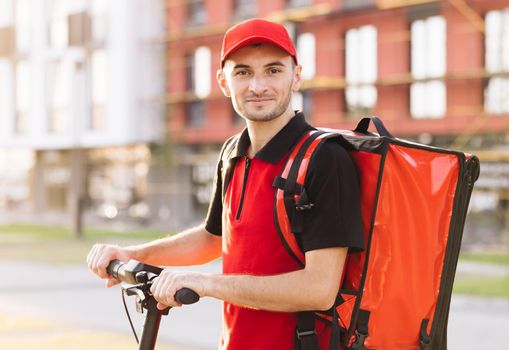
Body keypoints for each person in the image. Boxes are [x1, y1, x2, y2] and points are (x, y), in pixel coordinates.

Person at [87, 18, 364, 350]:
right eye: (243, 72)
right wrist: (133, 254)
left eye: (274, 70)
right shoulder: (233, 152)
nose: (258, 86)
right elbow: (214, 238)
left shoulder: (323, 158)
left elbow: (318, 289)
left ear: (297, 75)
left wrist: (206, 283)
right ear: (223, 81)